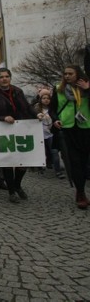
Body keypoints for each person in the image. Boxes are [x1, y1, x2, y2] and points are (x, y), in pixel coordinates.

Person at [0, 68, 36, 203]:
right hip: (3, 132)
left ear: (10, 78)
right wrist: (2, 117)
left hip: (20, 130)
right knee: (7, 163)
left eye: (6, 76)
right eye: (1, 77)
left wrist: (37, 114)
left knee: (22, 162)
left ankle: (17, 185)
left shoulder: (18, 91)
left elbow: (27, 107)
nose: (4, 79)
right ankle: (11, 191)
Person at [51, 65, 90, 209]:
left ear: (77, 74)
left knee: (85, 162)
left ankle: (81, 190)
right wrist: (55, 119)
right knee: (74, 162)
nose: (67, 76)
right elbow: (52, 109)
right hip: (67, 130)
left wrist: (87, 89)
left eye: (70, 74)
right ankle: (80, 193)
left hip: (85, 129)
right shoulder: (58, 89)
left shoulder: (86, 88)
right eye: (65, 74)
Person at [34, 89, 65, 179]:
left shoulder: (53, 108)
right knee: (40, 152)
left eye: (48, 98)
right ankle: (40, 168)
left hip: (50, 133)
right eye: (44, 98)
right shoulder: (36, 108)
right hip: (40, 133)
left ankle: (58, 171)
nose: (46, 100)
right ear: (40, 99)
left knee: (54, 152)